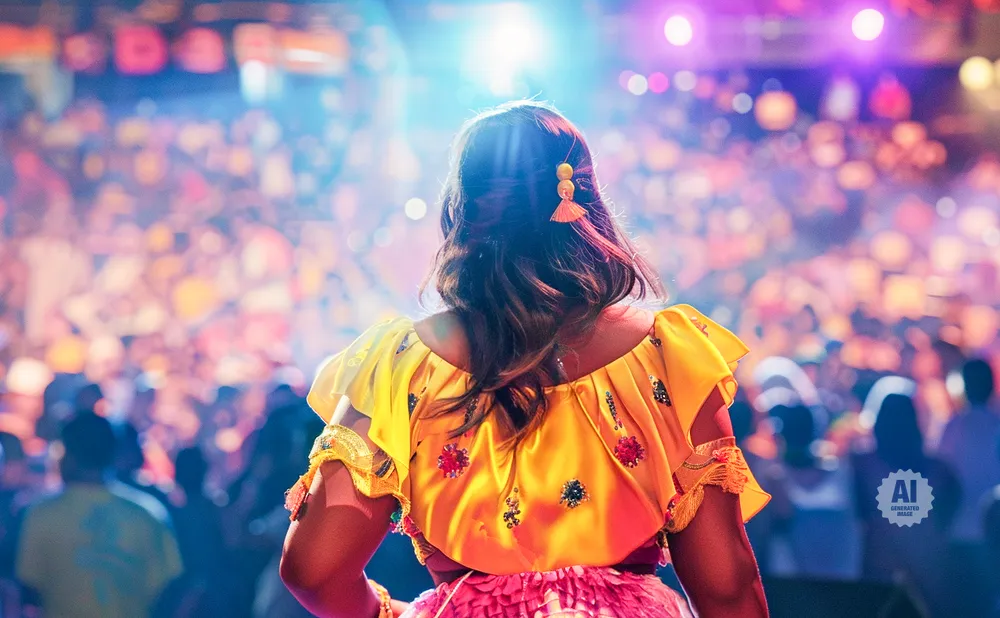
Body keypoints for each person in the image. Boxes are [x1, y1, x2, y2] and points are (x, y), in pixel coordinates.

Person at [280, 101, 771, 617]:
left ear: (462, 210)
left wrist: (391, 614)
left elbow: (314, 569)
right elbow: (726, 588)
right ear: (582, 197)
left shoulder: (403, 366)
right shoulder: (667, 357)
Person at [15, 412, 182, 618]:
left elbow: (29, 587)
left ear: (68, 456)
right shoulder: (147, 514)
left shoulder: (41, 515)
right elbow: (167, 588)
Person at [853, 389, 960, 617]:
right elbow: (948, 517)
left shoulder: (862, 467)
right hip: (927, 573)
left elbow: (858, 517)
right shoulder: (940, 472)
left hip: (883, 575)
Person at [937, 358, 999, 615]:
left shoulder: (953, 426)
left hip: (960, 532)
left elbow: (940, 478)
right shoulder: (995, 424)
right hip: (992, 535)